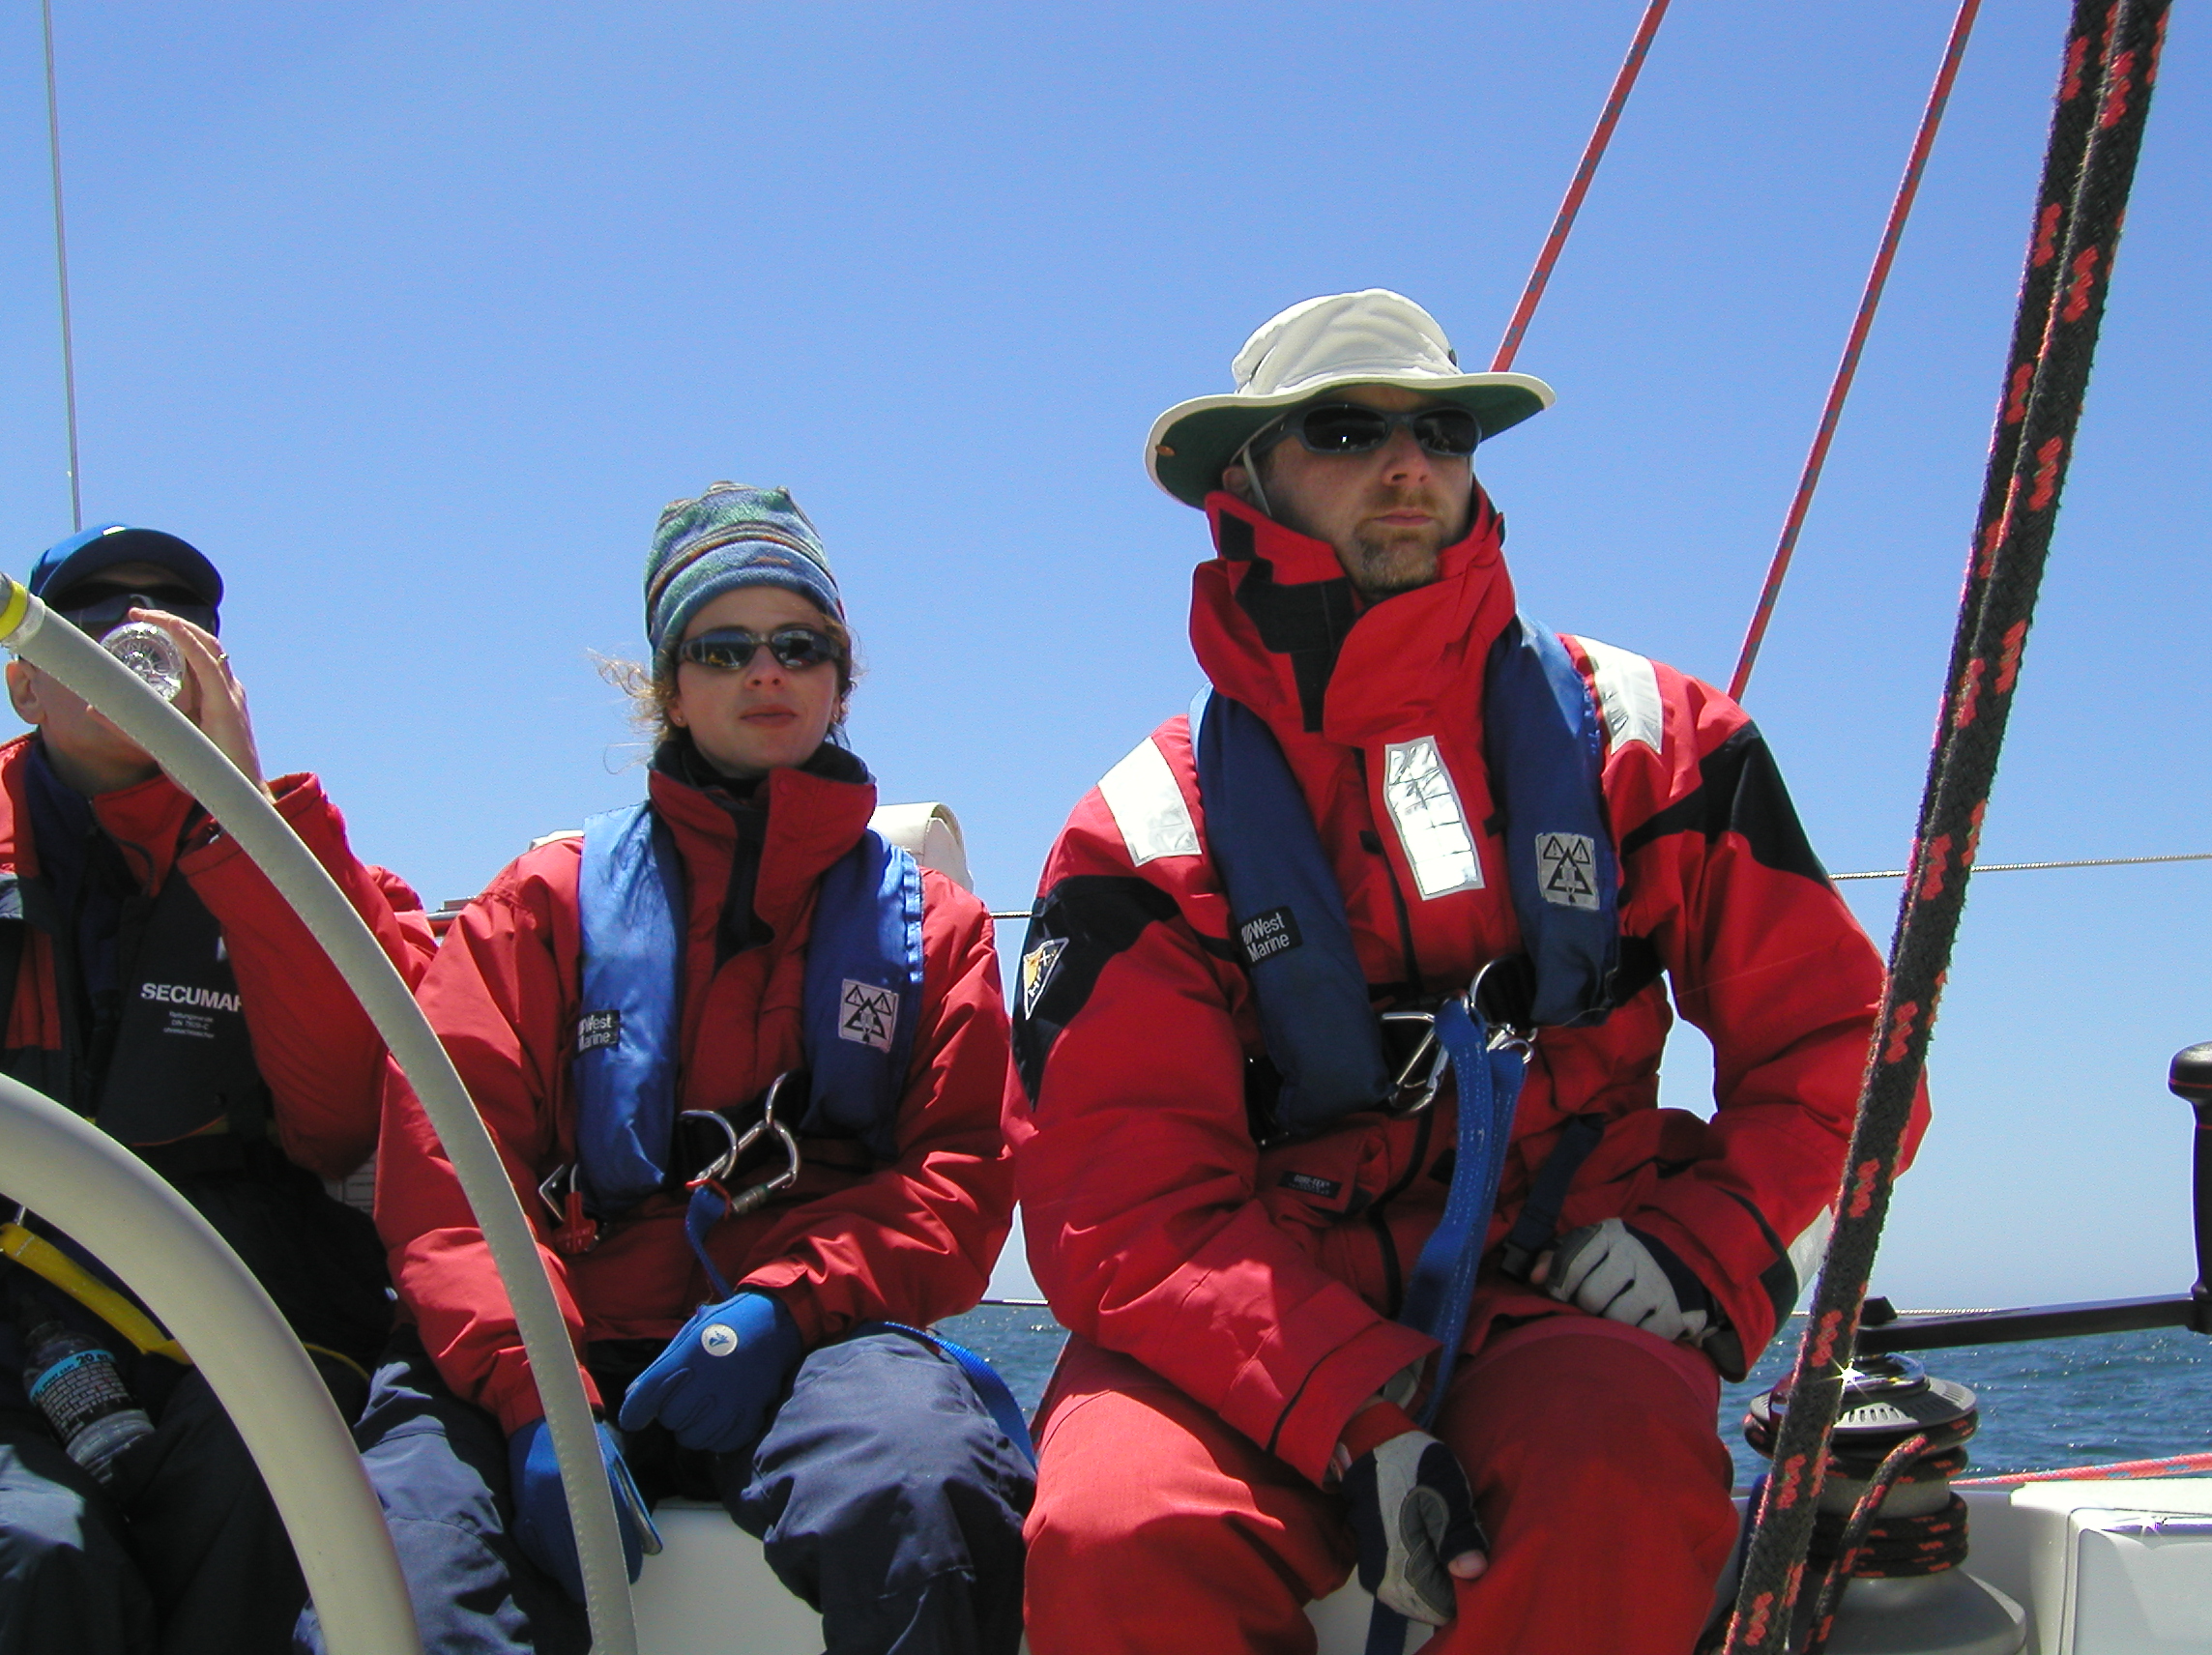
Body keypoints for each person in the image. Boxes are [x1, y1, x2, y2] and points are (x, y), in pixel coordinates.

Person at [1009, 290, 1930, 1654]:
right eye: (1346, 430)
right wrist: (1348, 1406)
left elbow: (1848, 1045)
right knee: (1119, 1530)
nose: (1409, 464)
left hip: (1560, 1278)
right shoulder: (1139, 837)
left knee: (1613, 1481)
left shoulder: (1656, 744)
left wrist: (1708, 1243)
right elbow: (1120, 1202)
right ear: (1242, 483)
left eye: (1442, 431)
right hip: (1257, 1305)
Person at [317, 482, 1031, 1655]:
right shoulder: (538, 908)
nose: (766, 671)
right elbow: (452, 1178)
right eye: (723, 647)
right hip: (546, 1341)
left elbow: (958, 1179)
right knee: (406, 1579)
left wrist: (782, 1306)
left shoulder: (936, 933)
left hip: (816, 1339)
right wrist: (534, 1393)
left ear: (839, 679)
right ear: (670, 685)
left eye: (799, 644)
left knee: (923, 1488)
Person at [0, 524, 435, 1655]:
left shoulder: (311, 865)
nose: (132, 644)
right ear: (25, 681)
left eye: (173, 622)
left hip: (231, 1302)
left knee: (269, 1490)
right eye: (93, 623)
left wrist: (246, 818)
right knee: (36, 1552)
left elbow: (341, 1116)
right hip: (15, 1305)